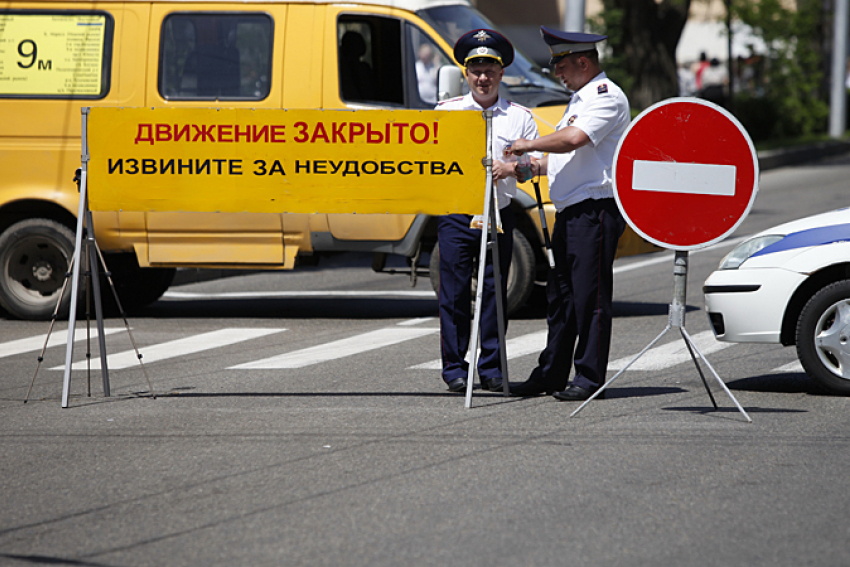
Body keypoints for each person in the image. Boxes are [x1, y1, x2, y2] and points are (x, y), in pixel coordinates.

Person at [508, 26, 629, 401]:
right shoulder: (580, 99)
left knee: (589, 298)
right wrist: (526, 167)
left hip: (594, 210)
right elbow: (570, 158)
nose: (556, 73)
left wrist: (528, 143)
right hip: (574, 211)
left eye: (560, 65)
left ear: (581, 61)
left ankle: (590, 378)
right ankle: (552, 373)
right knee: (561, 298)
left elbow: (575, 140)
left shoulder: (606, 97)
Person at [435, 29, 540, 393]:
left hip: (499, 212)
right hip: (456, 215)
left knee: (495, 294)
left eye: (490, 70)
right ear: (465, 73)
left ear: (501, 73)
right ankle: (454, 369)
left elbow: (533, 167)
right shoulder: (446, 113)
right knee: (453, 293)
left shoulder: (519, 117)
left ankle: (492, 368)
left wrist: (512, 168)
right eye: (476, 70)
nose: (483, 78)